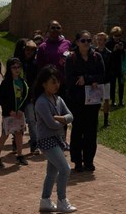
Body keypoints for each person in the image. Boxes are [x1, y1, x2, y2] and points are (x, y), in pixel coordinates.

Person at [34, 65, 77, 213]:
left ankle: (45, 201)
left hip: (58, 139)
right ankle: (62, 201)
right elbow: (51, 125)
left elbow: (71, 116)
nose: (56, 85)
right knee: (65, 169)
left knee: (52, 173)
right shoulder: (41, 102)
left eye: (57, 81)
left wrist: (60, 118)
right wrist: (63, 121)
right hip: (47, 140)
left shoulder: (58, 99)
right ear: (44, 84)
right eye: (53, 82)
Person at [65, 30, 105, 172]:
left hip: (93, 102)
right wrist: (82, 80)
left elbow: (102, 75)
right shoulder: (71, 58)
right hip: (77, 101)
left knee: (91, 132)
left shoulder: (96, 57)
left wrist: (87, 79)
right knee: (77, 131)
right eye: (83, 40)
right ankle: (77, 161)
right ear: (77, 42)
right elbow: (69, 79)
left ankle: (89, 160)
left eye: (88, 41)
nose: (86, 43)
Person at [0, 57, 29, 168]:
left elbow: (26, 97)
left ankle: (19, 155)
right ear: (9, 69)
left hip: (19, 114)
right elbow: (1, 99)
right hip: (9, 114)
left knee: (19, 133)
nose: (17, 69)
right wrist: (10, 111)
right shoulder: (6, 83)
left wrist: (21, 110)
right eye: (14, 67)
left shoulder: (23, 82)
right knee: (5, 135)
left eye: (19, 67)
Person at [14, 38, 40, 152]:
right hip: (17, 97)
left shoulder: (35, 64)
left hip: (29, 97)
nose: (29, 52)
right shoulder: (17, 63)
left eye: (32, 50)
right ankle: (15, 142)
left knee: (32, 120)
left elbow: (36, 81)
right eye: (27, 49)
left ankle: (34, 144)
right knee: (17, 121)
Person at [36, 20, 72, 96]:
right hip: (50, 84)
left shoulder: (67, 43)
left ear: (61, 30)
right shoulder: (43, 47)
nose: (55, 30)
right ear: (48, 30)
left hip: (64, 82)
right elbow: (40, 66)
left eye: (58, 28)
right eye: (53, 28)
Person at [105, 26, 126, 107]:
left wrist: (123, 49)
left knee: (121, 84)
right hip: (112, 67)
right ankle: (113, 100)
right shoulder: (109, 43)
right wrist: (113, 50)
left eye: (119, 35)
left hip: (121, 66)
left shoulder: (123, 43)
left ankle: (121, 100)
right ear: (112, 35)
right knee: (113, 85)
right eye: (116, 35)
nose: (117, 37)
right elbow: (107, 56)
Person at [94, 32, 113, 127]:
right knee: (96, 100)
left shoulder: (109, 53)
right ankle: (95, 120)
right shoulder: (93, 53)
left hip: (106, 80)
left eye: (103, 40)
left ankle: (106, 120)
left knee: (106, 100)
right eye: (99, 40)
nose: (101, 42)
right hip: (96, 80)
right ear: (96, 40)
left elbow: (110, 67)